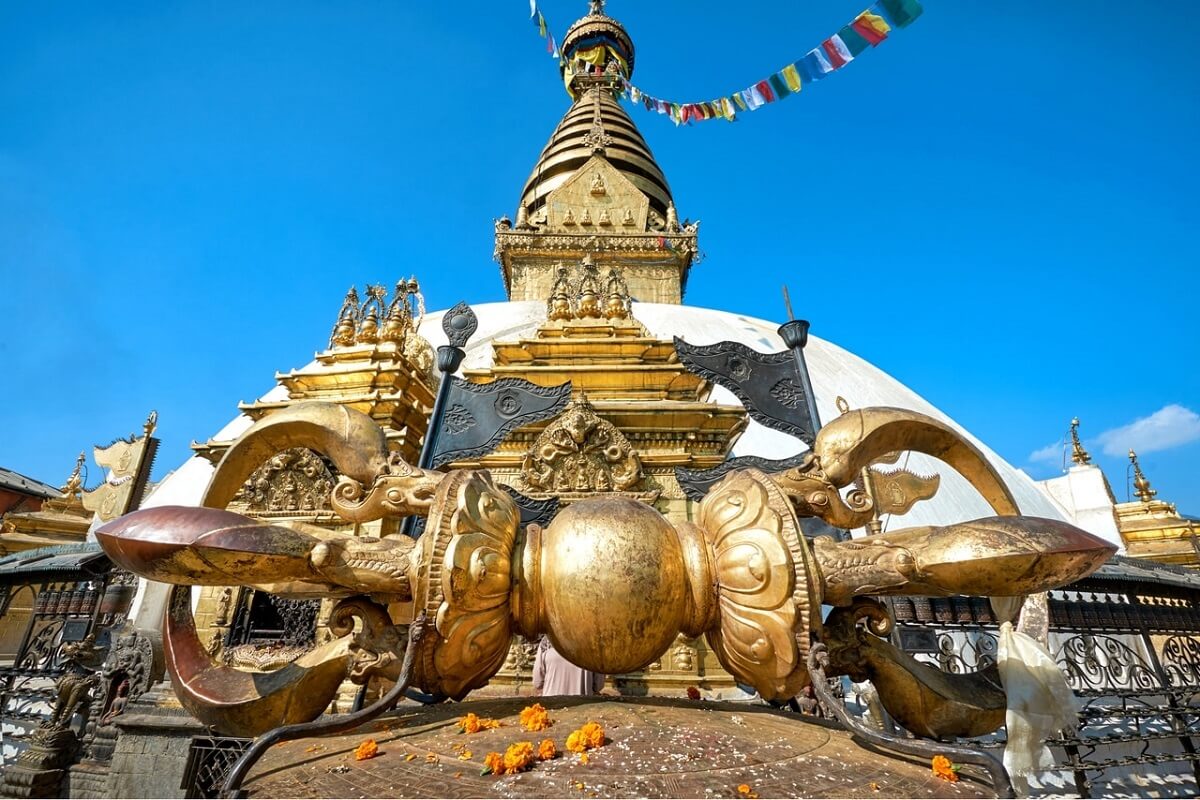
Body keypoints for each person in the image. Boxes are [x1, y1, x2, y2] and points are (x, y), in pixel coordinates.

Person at [532, 636, 605, 696]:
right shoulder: (594, 644)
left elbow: (537, 682)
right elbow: (598, 685)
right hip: (583, 707)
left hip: (553, 707)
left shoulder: (546, 642)